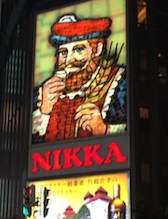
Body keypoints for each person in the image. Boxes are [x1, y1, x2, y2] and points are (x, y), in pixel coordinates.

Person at [32, 14, 126, 144]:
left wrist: (104, 129)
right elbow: (26, 145)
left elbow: (137, 133)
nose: (69, 60)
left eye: (78, 49)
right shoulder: (42, 94)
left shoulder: (119, 82)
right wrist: (43, 112)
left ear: (97, 49)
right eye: (63, 52)